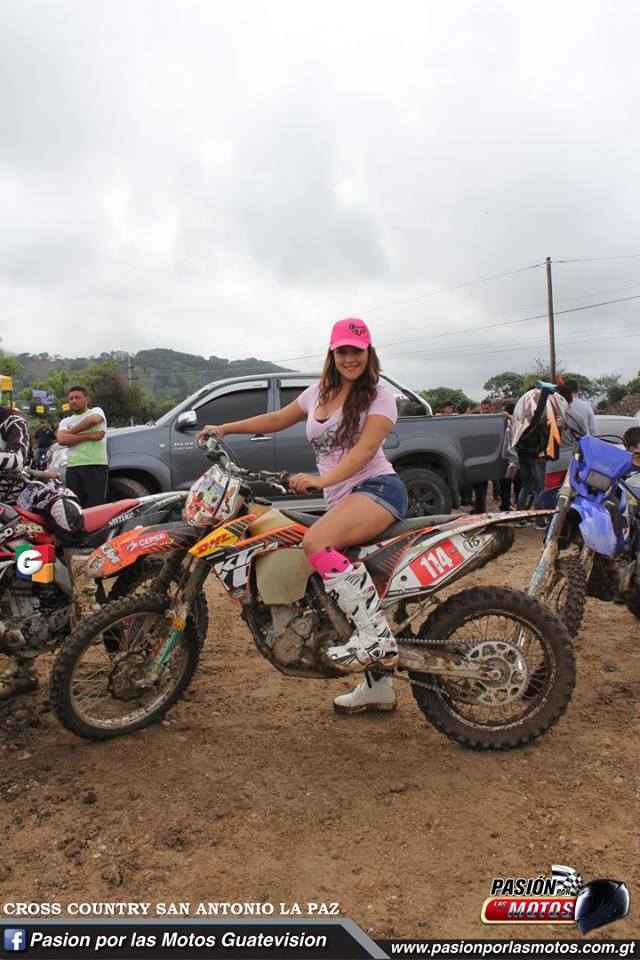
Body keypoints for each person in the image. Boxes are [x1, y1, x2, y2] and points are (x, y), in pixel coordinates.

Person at [196, 317, 408, 715]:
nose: (349, 358)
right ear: (332, 353)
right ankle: (379, 687)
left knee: (316, 542)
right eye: (342, 351)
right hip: (342, 498)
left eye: (357, 351)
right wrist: (226, 428)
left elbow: (365, 451)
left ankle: (376, 639)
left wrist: (320, 479)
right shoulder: (318, 393)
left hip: (377, 490)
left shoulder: (380, 397)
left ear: (368, 354)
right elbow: (277, 419)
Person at [511, 385, 567, 529]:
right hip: (537, 457)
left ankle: (519, 519)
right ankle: (539, 521)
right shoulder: (541, 418)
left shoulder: (522, 418)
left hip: (523, 455)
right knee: (539, 489)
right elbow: (547, 438)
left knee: (525, 487)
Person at [57, 386, 108, 507]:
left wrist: (70, 433)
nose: (74, 401)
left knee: (96, 505)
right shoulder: (65, 421)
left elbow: (93, 421)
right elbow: (62, 440)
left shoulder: (96, 411)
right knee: (76, 505)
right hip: (73, 467)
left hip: (95, 465)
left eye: (77, 397)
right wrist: (89, 436)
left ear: (87, 399)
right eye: (71, 399)